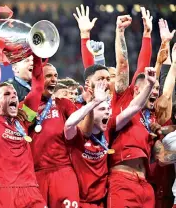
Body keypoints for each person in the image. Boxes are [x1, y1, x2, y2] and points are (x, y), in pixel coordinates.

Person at [65, 67, 158, 207]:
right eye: (102, 110)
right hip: (81, 200)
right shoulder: (77, 135)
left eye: (108, 110)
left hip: (101, 199)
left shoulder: (108, 129)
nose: (107, 113)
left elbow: (134, 107)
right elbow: (69, 125)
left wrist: (150, 85)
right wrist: (94, 102)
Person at [0, 37, 46, 207]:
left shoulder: (23, 118)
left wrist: (36, 54)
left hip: (31, 188)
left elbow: (38, 86)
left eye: (15, 95)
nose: (13, 97)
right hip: (4, 190)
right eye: (7, 94)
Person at [28, 63, 80, 208]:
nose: (54, 80)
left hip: (62, 171)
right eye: (48, 76)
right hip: (36, 175)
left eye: (55, 76)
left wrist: (94, 102)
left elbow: (83, 129)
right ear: (38, 80)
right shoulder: (27, 106)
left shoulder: (63, 104)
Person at [107, 67, 160, 207]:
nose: (155, 92)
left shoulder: (148, 121)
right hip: (123, 181)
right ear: (136, 90)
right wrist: (149, 84)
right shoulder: (122, 108)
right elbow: (135, 105)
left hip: (145, 185)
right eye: (151, 89)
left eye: (156, 89)